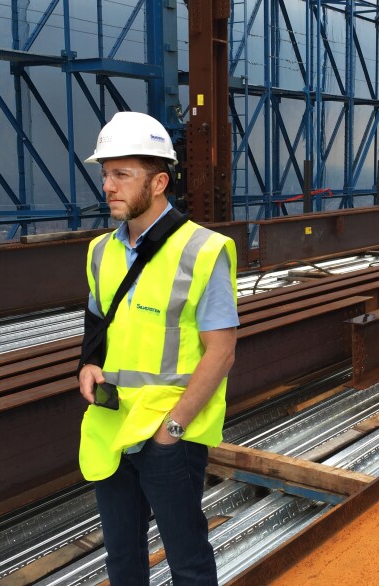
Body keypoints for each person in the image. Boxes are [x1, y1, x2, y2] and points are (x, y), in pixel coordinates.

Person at [77, 111, 238, 585]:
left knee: (187, 561)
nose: (109, 185)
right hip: (112, 425)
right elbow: (98, 323)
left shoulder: (203, 250)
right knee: (123, 562)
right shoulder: (100, 251)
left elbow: (221, 353)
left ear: (160, 180)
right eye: (106, 173)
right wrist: (88, 363)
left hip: (168, 434)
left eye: (122, 174)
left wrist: (173, 430)